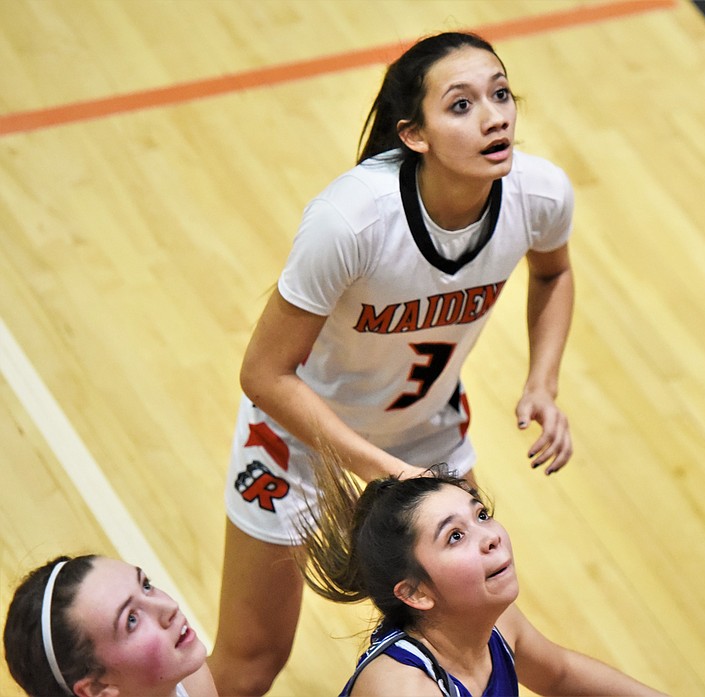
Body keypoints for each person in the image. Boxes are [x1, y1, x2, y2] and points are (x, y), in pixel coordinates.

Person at [210, 31, 576, 694]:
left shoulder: (540, 194)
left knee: (488, 637)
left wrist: (542, 382)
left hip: (424, 429)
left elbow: (553, 274)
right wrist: (391, 475)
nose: (495, 115)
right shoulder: (351, 221)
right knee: (250, 661)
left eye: (500, 93)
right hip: (300, 439)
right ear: (415, 135)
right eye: (461, 105)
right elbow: (263, 374)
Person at [297, 453, 666, 696]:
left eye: (481, 515)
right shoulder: (402, 688)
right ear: (416, 593)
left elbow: (560, 674)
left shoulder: (497, 622)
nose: (489, 538)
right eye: (455, 536)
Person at [4, 555, 217, 697]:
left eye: (146, 585)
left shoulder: (190, 678)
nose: (169, 606)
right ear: (98, 688)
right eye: (131, 620)